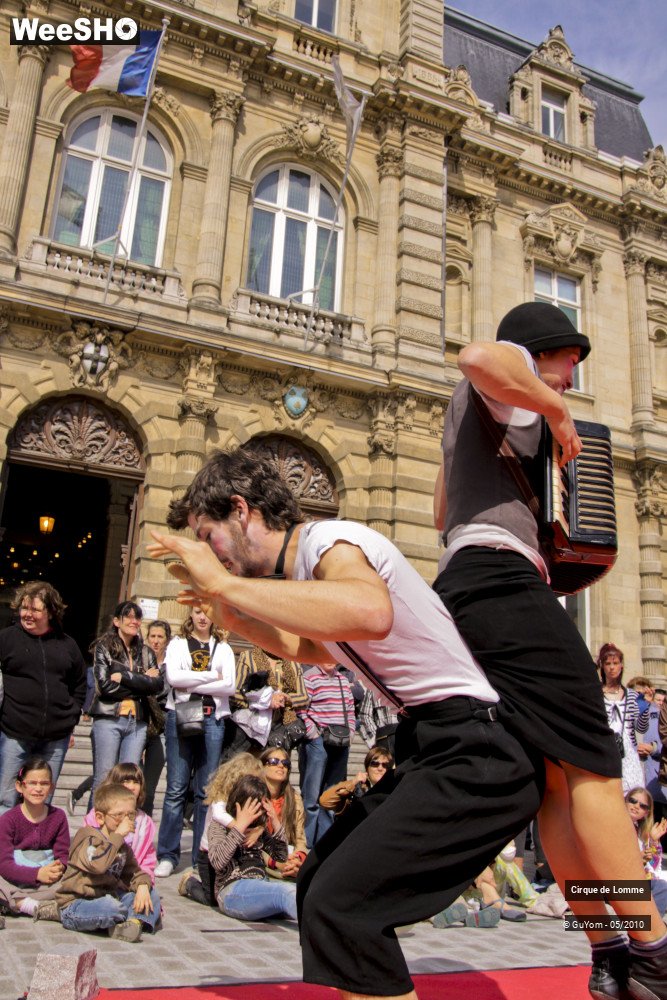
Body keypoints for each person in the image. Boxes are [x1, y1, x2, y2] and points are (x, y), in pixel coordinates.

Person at [147, 445, 543, 1000]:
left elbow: (369, 612)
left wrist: (224, 586)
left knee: (341, 905)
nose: (214, 556)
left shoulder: (329, 542)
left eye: (208, 535)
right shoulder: (310, 565)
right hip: (436, 743)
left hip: (477, 746)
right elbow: (313, 648)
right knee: (318, 889)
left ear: (241, 510)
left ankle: (626, 941)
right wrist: (233, 616)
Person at [432, 301, 667, 1000]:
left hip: (468, 581)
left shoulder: (482, 414)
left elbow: (443, 513)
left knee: (557, 788)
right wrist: (553, 414)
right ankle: (652, 949)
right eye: (569, 361)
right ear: (540, 354)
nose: (573, 376)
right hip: (502, 580)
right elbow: (480, 355)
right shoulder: (513, 389)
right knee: (595, 765)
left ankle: (605, 954)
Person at [155, 607, 235, 878]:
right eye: (198, 611)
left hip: (213, 719)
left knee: (206, 791)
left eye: (208, 612)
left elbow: (230, 686)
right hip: (181, 716)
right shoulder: (177, 643)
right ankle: (167, 854)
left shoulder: (223, 647)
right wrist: (213, 677)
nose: (203, 617)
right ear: (191, 613)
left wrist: (193, 684)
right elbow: (174, 679)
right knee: (176, 788)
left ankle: (200, 855)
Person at [0, 581, 86, 812]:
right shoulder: (6, 639)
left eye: (35, 609)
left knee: (43, 799)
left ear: (50, 612)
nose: (27, 614)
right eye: (24, 608)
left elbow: (80, 683)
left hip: (56, 737)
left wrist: (72, 716)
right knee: (6, 798)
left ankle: (34, 846)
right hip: (14, 733)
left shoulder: (67, 645)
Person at [57, 781, 162, 942]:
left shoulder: (122, 847)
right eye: (119, 815)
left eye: (131, 815)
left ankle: (132, 924)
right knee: (111, 907)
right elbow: (98, 865)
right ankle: (122, 921)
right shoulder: (87, 838)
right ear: (100, 817)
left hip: (108, 898)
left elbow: (135, 873)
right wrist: (117, 836)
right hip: (78, 903)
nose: (126, 820)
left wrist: (142, 885)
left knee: (150, 894)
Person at [89, 601, 162, 797]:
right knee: (104, 780)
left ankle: (123, 826)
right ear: (116, 621)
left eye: (137, 617)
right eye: (128, 617)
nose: (133, 621)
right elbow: (104, 687)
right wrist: (142, 681)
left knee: (129, 782)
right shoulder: (103, 647)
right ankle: (95, 826)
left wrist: (125, 677)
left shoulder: (146, 652)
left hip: (137, 722)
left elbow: (157, 685)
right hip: (109, 719)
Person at [206, 774, 297, 922]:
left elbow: (281, 858)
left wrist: (275, 821)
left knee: (303, 892)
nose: (259, 813)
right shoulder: (219, 826)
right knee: (284, 893)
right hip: (231, 890)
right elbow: (217, 862)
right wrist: (239, 827)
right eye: (255, 807)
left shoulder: (257, 829)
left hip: (260, 884)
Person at [178, 751, 265, 907]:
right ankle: (189, 884)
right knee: (210, 899)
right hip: (208, 854)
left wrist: (258, 830)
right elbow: (219, 814)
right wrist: (240, 826)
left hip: (232, 853)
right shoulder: (221, 797)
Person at [0, 757, 69, 921]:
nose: (38, 788)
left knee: (74, 880)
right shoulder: (8, 819)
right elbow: (4, 864)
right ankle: (29, 905)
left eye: (44, 783)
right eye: (32, 783)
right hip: (13, 882)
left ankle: (15, 903)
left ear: (51, 787)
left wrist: (58, 868)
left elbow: (64, 854)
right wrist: (37, 873)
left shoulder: (58, 817)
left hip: (47, 886)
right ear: (20, 786)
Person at [298, 662, 356, 847]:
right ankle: (307, 842)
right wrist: (313, 733)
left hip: (341, 741)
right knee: (312, 795)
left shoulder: (343, 680)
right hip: (319, 740)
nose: (330, 659)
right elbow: (301, 709)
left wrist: (352, 731)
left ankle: (324, 842)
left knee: (332, 794)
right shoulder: (310, 677)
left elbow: (350, 709)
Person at [224, 645, 309, 758]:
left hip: (280, 730)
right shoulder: (248, 657)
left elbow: (304, 698)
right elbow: (234, 693)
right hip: (250, 731)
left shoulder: (293, 663)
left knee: (276, 770)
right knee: (248, 771)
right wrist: (265, 701)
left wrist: (285, 698)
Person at [83, 762, 157, 883]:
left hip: (131, 879)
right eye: (126, 781)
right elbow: (90, 853)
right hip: (100, 878)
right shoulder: (96, 816)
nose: (132, 787)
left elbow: (148, 861)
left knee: (151, 897)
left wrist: (144, 883)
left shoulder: (145, 822)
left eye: (136, 782)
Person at [598, 643, 646, 792]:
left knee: (631, 794)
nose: (612, 667)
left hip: (627, 753)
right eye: (608, 663)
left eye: (615, 663)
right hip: (603, 750)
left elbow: (641, 728)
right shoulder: (596, 695)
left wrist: (645, 708)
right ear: (602, 666)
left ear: (621, 666)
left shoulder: (631, 696)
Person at [259, 745, 307, 878]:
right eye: (274, 761)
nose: (281, 766)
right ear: (263, 766)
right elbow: (251, 843)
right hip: (259, 862)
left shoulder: (294, 798)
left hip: (287, 858)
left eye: (285, 763)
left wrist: (297, 860)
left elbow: (300, 840)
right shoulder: (254, 794)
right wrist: (277, 863)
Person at [142, 619, 172, 817]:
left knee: (150, 784)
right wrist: (143, 677)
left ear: (167, 640)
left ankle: (144, 828)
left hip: (160, 725)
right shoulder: (137, 660)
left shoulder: (171, 665)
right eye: (152, 636)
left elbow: (167, 691)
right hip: (139, 721)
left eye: (160, 637)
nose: (155, 641)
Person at [625, 787, 667, 917]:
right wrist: (638, 859)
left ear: (646, 813)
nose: (636, 806)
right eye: (633, 801)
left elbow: (653, 867)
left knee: (660, 884)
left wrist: (654, 842)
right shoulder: (617, 826)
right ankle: (653, 927)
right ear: (624, 801)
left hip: (637, 880)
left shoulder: (639, 832)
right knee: (661, 887)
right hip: (616, 882)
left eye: (642, 806)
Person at [319, 745, 394, 817]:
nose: (380, 768)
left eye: (385, 765)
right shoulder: (356, 790)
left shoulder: (395, 789)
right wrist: (353, 782)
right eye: (375, 764)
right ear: (367, 768)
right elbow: (325, 801)